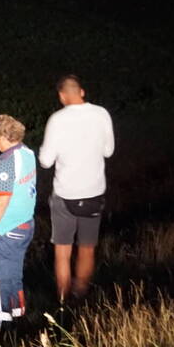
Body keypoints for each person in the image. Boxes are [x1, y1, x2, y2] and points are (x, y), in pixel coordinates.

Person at [38, 74, 115, 303]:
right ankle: (81, 296)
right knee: (87, 248)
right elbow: (108, 151)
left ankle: (62, 304)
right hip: (94, 191)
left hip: (65, 194)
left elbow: (45, 161)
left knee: (62, 251)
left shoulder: (57, 120)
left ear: (62, 96)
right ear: (82, 92)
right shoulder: (101, 114)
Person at [0, 115, 37, 324]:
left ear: (3, 138)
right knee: (13, 276)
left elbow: (1, 202)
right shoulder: (26, 153)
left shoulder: (7, 164)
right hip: (24, 226)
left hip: (4, 231)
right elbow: (10, 133)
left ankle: (3, 331)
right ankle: (20, 321)